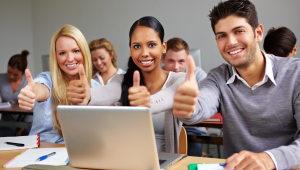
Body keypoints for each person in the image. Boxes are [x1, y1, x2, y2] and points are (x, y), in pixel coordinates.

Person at [181, 0, 300, 169]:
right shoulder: (218, 76)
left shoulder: (296, 73)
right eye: (222, 35)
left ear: (258, 33)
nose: (230, 42)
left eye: (239, 31)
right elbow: (201, 104)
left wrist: (269, 159)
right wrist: (188, 107)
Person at [67, 16, 200, 153]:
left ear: (163, 47)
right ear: (130, 50)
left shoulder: (179, 79)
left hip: (165, 163)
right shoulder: (122, 79)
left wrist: (148, 102)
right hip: (126, 159)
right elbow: (107, 92)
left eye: (152, 45)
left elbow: (170, 96)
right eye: (137, 46)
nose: (144, 53)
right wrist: (88, 95)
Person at [18, 25, 99, 143]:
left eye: (75, 51)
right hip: (41, 151)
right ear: (55, 56)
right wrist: (32, 92)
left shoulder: (96, 87)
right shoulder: (47, 79)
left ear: (84, 53)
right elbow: (40, 89)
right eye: (62, 53)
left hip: (78, 152)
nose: (70, 58)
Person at [162, 37, 208, 157]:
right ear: (163, 59)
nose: (176, 67)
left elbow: (207, 97)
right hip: (163, 131)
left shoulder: (197, 74)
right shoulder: (156, 75)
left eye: (181, 61)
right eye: (171, 61)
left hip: (192, 130)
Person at [0, 50, 31, 137]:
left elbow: (32, 108)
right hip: (6, 122)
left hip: (26, 123)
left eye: (16, 74)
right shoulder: (1, 79)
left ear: (24, 72)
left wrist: (20, 131)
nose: (11, 76)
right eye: (9, 72)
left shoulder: (28, 83)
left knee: (29, 137)